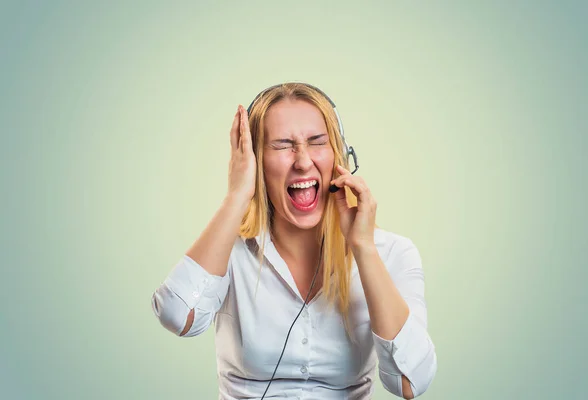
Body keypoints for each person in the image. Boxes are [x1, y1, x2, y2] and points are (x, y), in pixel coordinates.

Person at [151, 83, 437, 399]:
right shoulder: (229, 252)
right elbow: (177, 316)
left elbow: (410, 383)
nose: (302, 161)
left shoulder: (393, 253)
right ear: (256, 163)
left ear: (340, 157)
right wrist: (237, 196)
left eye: (316, 142)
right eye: (283, 145)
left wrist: (364, 249)